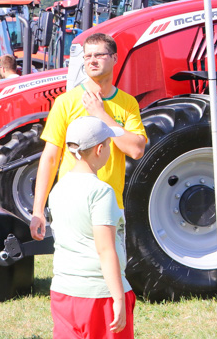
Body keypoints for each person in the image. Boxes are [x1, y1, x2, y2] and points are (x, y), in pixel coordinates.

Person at [31, 33, 147, 242]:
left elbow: (136, 150)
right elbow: (49, 158)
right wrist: (38, 211)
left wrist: (100, 114)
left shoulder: (127, 103)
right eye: (87, 56)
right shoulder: (65, 102)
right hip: (72, 203)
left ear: (114, 58)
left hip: (110, 205)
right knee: (73, 270)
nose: (92, 60)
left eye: (99, 55)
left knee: (112, 267)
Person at [49, 116, 135, 338]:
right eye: (108, 144)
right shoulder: (101, 192)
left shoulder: (58, 189)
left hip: (63, 291)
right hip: (99, 295)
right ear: (99, 149)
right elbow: (105, 250)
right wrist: (118, 298)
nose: (109, 148)